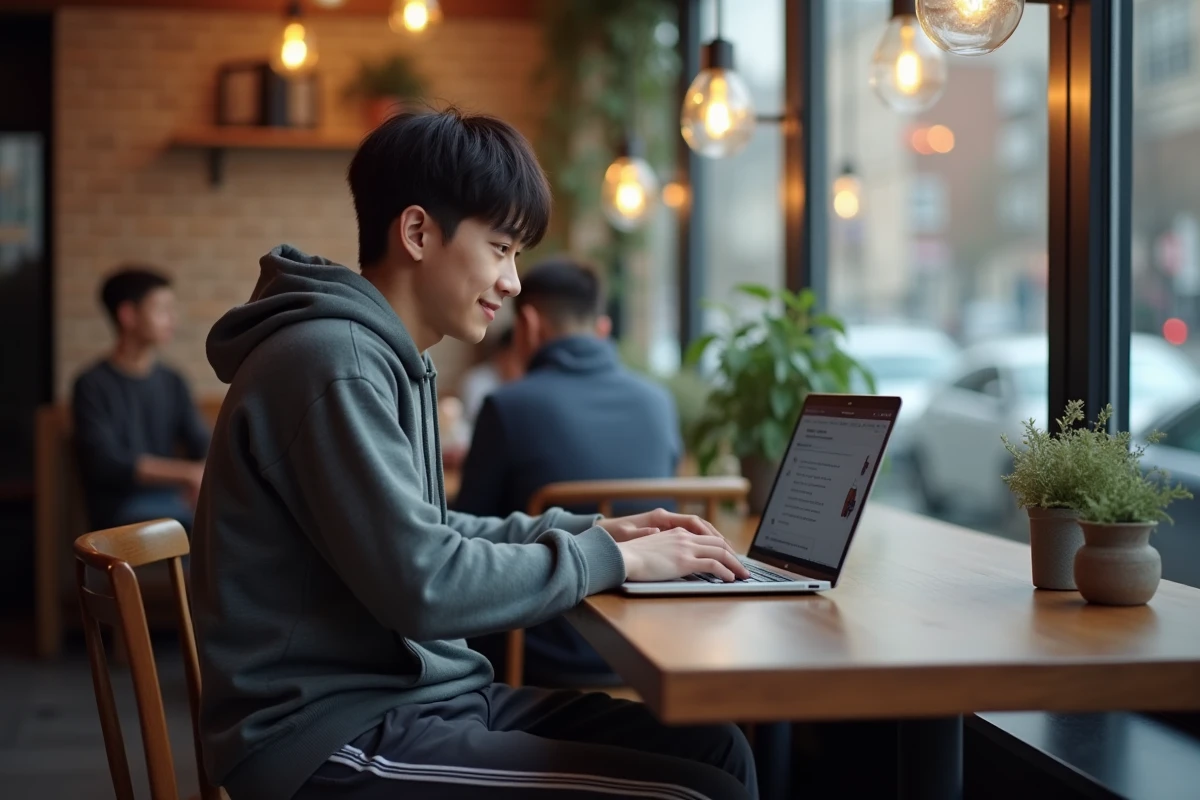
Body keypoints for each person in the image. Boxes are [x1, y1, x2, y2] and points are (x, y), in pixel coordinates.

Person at [191, 108, 756, 800]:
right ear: (419, 232)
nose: (515, 282)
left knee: (718, 747)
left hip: (417, 697)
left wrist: (594, 532)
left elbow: (431, 534)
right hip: (326, 737)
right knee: (705, 792)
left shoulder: (385, 357)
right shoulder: (331, 362)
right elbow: (423, 584)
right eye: (500, 248)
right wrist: (611, 560)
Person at [455, 257, 681, 686]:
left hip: (533, 652)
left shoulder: (507, 407)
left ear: (529, 325)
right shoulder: (659, 402)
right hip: (649, 647)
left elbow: (465, 537)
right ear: (601, 326)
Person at [72, 267, 209, 533]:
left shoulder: (173, 381)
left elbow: (202, 442)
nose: (173, 319)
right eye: (162, 310)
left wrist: (201, 475)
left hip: (173, 500)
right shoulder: (91, 384)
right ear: (128, 315)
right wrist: (187, 474)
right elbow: (105, 462)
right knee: (207, 525)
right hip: (120, 510)